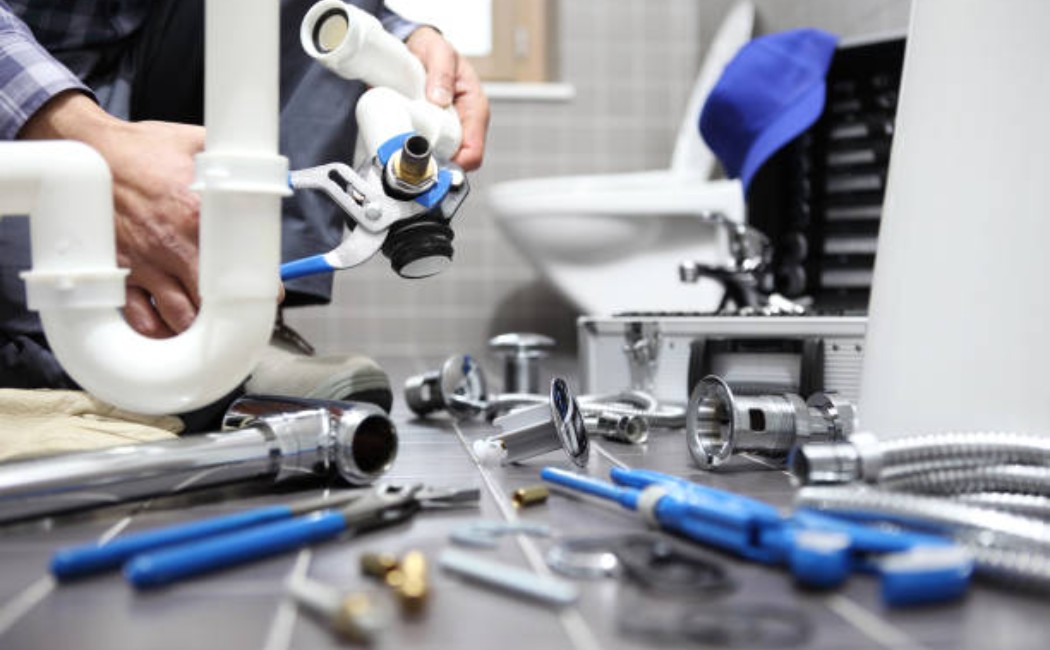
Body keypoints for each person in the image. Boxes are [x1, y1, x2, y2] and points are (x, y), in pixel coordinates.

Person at [0, 0, 489, 424]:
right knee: (66, 343)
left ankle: (246, 322)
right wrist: (84, 138)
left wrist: (399, 43)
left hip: (133, 77)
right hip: (20, 108)